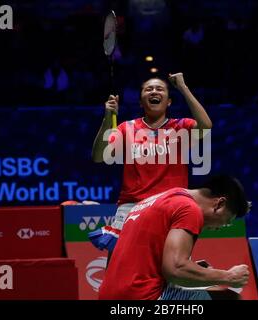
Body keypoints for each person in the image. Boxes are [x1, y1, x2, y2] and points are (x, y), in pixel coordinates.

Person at [89, 73, 212, 255]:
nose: (154, 91)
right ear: (141, 102)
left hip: (171, 207)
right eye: (149, 89)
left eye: (159, 89)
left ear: (169, 101)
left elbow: (206, 127)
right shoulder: (126, 128)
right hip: (132, 208)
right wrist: (108, 117)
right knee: (120, 263)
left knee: (168, 267)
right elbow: (99, 156)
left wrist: (183, 88)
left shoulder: (181, 127)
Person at [98, 175, 252, 300]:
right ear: (219, 204)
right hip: (141, 297)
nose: (218, 228)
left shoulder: (165, 197)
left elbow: (148, 261)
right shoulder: (189, 209)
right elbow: (176, 270)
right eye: (225, 222)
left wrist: (195, 268)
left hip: (110, 295)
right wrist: (227, 276)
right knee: (229, 299)